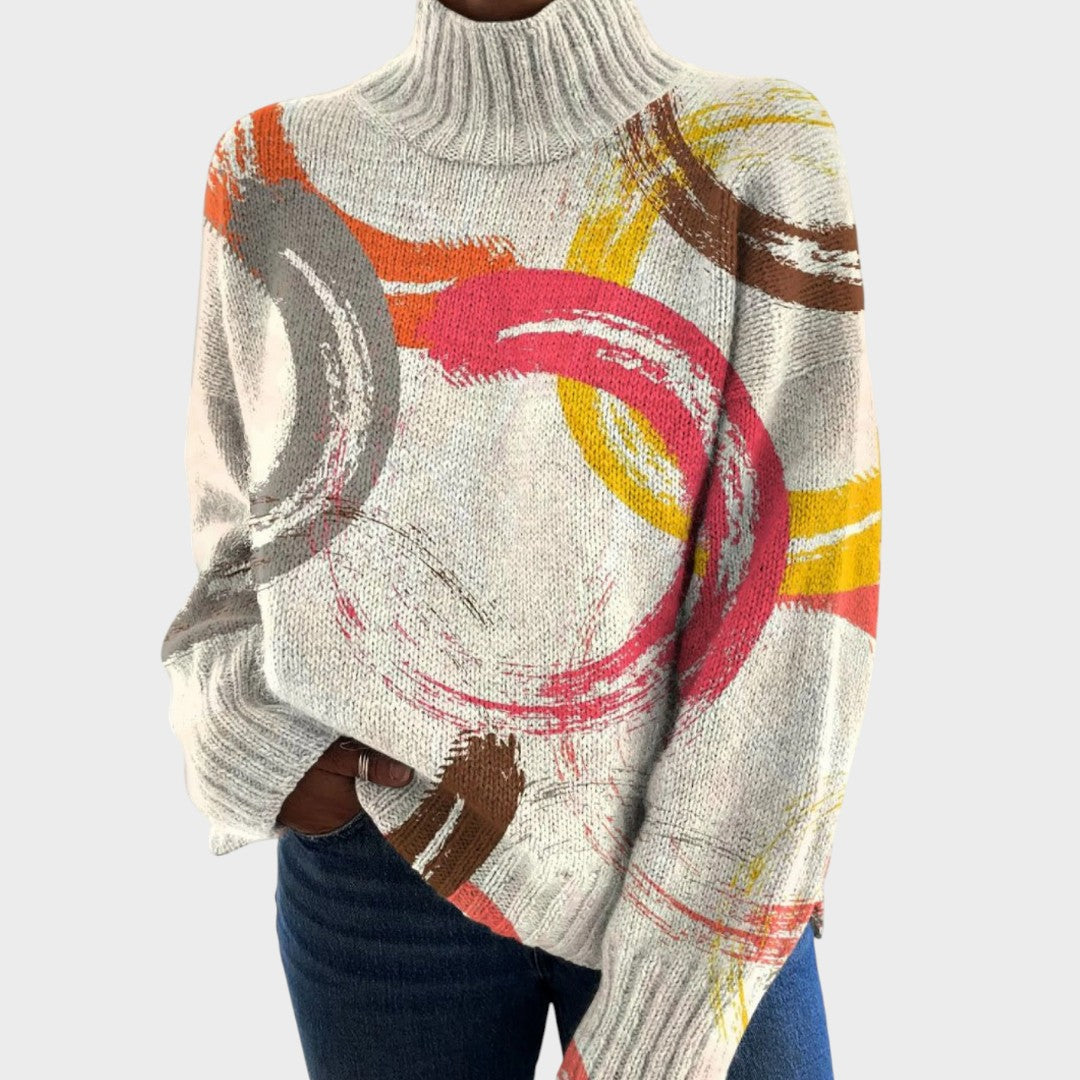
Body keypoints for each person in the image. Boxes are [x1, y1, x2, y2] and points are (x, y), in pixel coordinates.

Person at [160, 0, 881, 1077]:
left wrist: (705, 933)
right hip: (378, 869)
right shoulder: (273, 166)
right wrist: (253, 739)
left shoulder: (759, 151)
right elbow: (232, 538)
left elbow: (804, 590)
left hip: (701, 861)